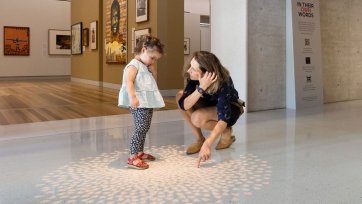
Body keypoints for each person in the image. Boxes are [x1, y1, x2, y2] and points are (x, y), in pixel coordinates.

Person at [176, 51, 245, 168]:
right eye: (190, 67)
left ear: (206, 73)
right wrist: (201, 88)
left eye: (193, 69)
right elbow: (183, 104)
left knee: (197, 118)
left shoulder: (224, 81)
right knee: (180, 96)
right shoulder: (193, 77)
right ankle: (199, 139)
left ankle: (226, 131)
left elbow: (224, 116)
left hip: (231, 109)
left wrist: (208, 143)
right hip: (209, 104)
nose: (188, 71)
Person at [118, 35, 165, 170]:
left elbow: (151, 82)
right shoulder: (133, 65)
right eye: (152, 58)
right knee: (140, 128)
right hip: (138, 103)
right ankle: (132, 156)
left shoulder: (145, 65)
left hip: (146, 102)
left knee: (144, 128)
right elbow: (129, 81)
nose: (153, 61)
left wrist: (153, 71)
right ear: (143, 50)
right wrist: (133, 97)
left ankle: (139, 152)